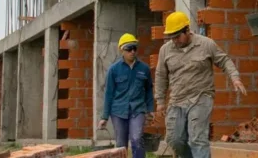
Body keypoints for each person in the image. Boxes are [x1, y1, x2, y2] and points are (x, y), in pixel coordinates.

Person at [154, 11, 247, 158]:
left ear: (187, 30)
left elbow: (224, 60)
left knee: (197, 138)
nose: (175, 40)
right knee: (174, 139)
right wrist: (160, 101)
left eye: (177, 36)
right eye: (171, 37)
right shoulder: (165, 50)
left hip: (201, 97)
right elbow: (160, 76)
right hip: (177, 100)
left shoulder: (205, 44)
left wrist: (235, 78)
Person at [98, 33, 153, 158]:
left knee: (137, 138)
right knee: (121, 144)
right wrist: (104, 117)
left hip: (138, 109)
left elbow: (149, 90)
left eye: (135, 48)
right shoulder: (114, 70)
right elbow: (108, 94)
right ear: (122, 50)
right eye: (129, 49)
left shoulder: (144, 69)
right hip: (118, 111)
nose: (132, 52)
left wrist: (150, 110)